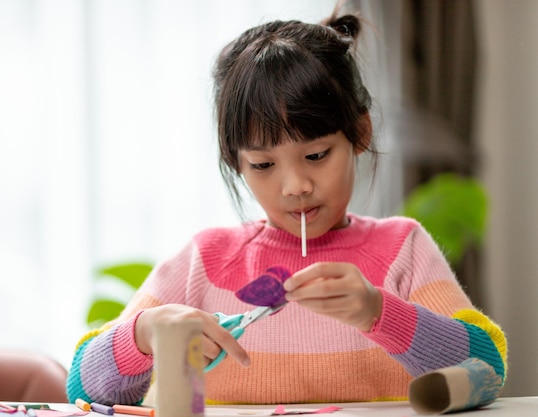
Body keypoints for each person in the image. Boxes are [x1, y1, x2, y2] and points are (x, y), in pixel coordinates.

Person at [66, 8, 507, 407]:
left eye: (316, 156)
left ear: (360, 133)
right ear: (234, 163)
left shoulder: (401, 249)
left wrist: (379, 312)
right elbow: (83, 388)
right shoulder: (205, 261)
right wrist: (143, 335)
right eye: (262, 164)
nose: (295, 186)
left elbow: (487, 369)